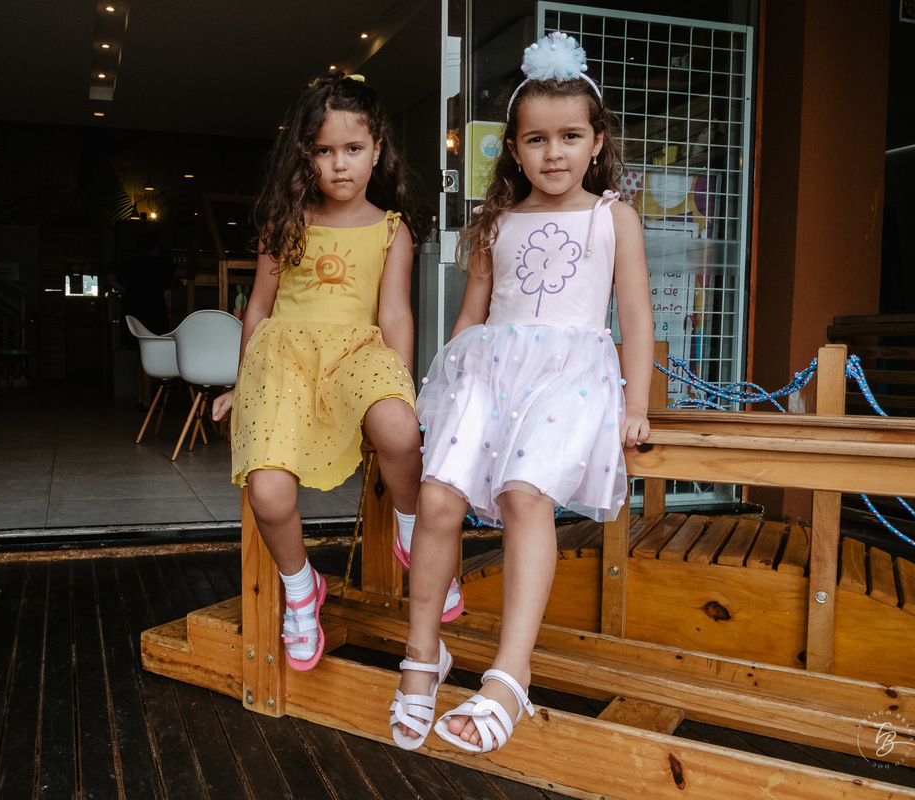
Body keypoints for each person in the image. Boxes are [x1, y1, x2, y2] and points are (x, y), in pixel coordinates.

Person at [389, 31, 654, 752]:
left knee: (524, 496)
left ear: (597, 142)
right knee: (437, 497)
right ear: (513, 148)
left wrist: (636, 407)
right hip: (489, 374)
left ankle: (510, 673)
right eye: (536, 139)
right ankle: (423, 653)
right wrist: (444, 395)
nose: (554, 153)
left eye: (571, 136)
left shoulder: (613, 217)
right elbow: (470, 319)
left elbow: (635, 318)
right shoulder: (496, 222)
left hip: (570, 379)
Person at [211, 73, 462, 672]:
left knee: (400, 427)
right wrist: (244, 383)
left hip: (357, 355)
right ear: (306, 155)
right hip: (284, 361)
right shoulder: (286, 222)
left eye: (353, 148)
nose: (340, 164)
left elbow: (395, 314)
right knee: (267, 491)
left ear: (377, 150)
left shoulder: (393, 229)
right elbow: (259, 309)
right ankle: (302, 588)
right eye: (324, 150)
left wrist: (400, 387)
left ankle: (412, 530)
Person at [108, 230, 176, 404]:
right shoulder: (160, 264)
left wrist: (126, 291)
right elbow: (186, 273)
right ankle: (146, 401)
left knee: (141, 358)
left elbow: (110, 277)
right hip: (154, 313)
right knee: (149, 358)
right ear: (156, 247)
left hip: (134, 313)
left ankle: (141, 399)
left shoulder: (131, 263)